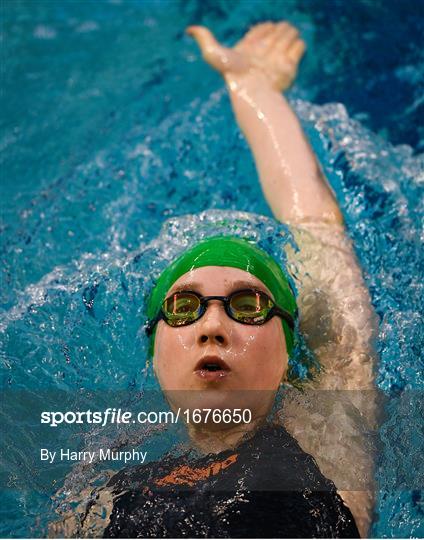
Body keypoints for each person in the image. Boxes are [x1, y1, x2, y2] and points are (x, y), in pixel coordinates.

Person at [49, 20, 378, 539]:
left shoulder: (327, 445)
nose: (213, 325)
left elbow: (317, 231)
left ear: (289, 346)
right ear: (154, 349)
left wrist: (253, 88)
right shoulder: (99, 507)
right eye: (184, 308)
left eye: (248, 305)